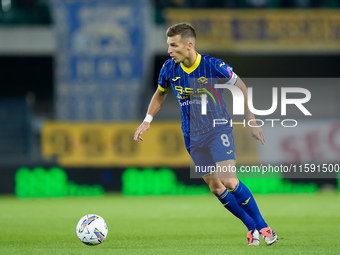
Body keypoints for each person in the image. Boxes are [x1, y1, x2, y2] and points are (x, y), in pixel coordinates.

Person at [133, 23, 278, 246]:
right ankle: (251, 228)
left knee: (229, 180)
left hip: (217, 129)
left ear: (189, 45)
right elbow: (160, 94)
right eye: (168, 45)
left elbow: (241, 87)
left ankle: (264, 227)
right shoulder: (169, 68)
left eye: (174, 45)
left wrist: (252, 120)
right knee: (216, 187)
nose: (169, 50)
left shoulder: (213, 66)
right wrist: (147, 120)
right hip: (192, 135)